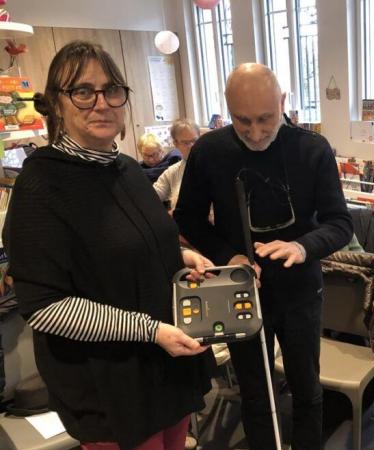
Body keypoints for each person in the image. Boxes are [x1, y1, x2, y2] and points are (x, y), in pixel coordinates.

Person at [2, 40, 213, 450]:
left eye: (111, 89)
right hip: (110, 389)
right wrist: (151, 331)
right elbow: (45, 308)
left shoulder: (128, 170)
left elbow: (142, 245)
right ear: (58, 104)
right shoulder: (42, 185)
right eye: (83, 91)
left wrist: (184, 256)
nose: (101, 103)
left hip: (166, 369)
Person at [174, 62, 353, 450]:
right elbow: (187, 217)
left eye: (266, 119)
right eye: (243, 121)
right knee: (256, 393)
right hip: (239, 287)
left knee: (307, 388)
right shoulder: (209, 150)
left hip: (300, 287)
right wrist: (230, 254)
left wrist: (302, 246)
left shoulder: (312, 148)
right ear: (227, 108)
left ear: (283, 102)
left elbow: (340, 223)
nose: (255, 133)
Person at [153, 118, 201, 210]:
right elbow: (152, 196)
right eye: (185, 143)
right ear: (176, 143)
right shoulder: (172, 172)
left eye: (194, 140)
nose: (191, 146)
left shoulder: (213, 165)